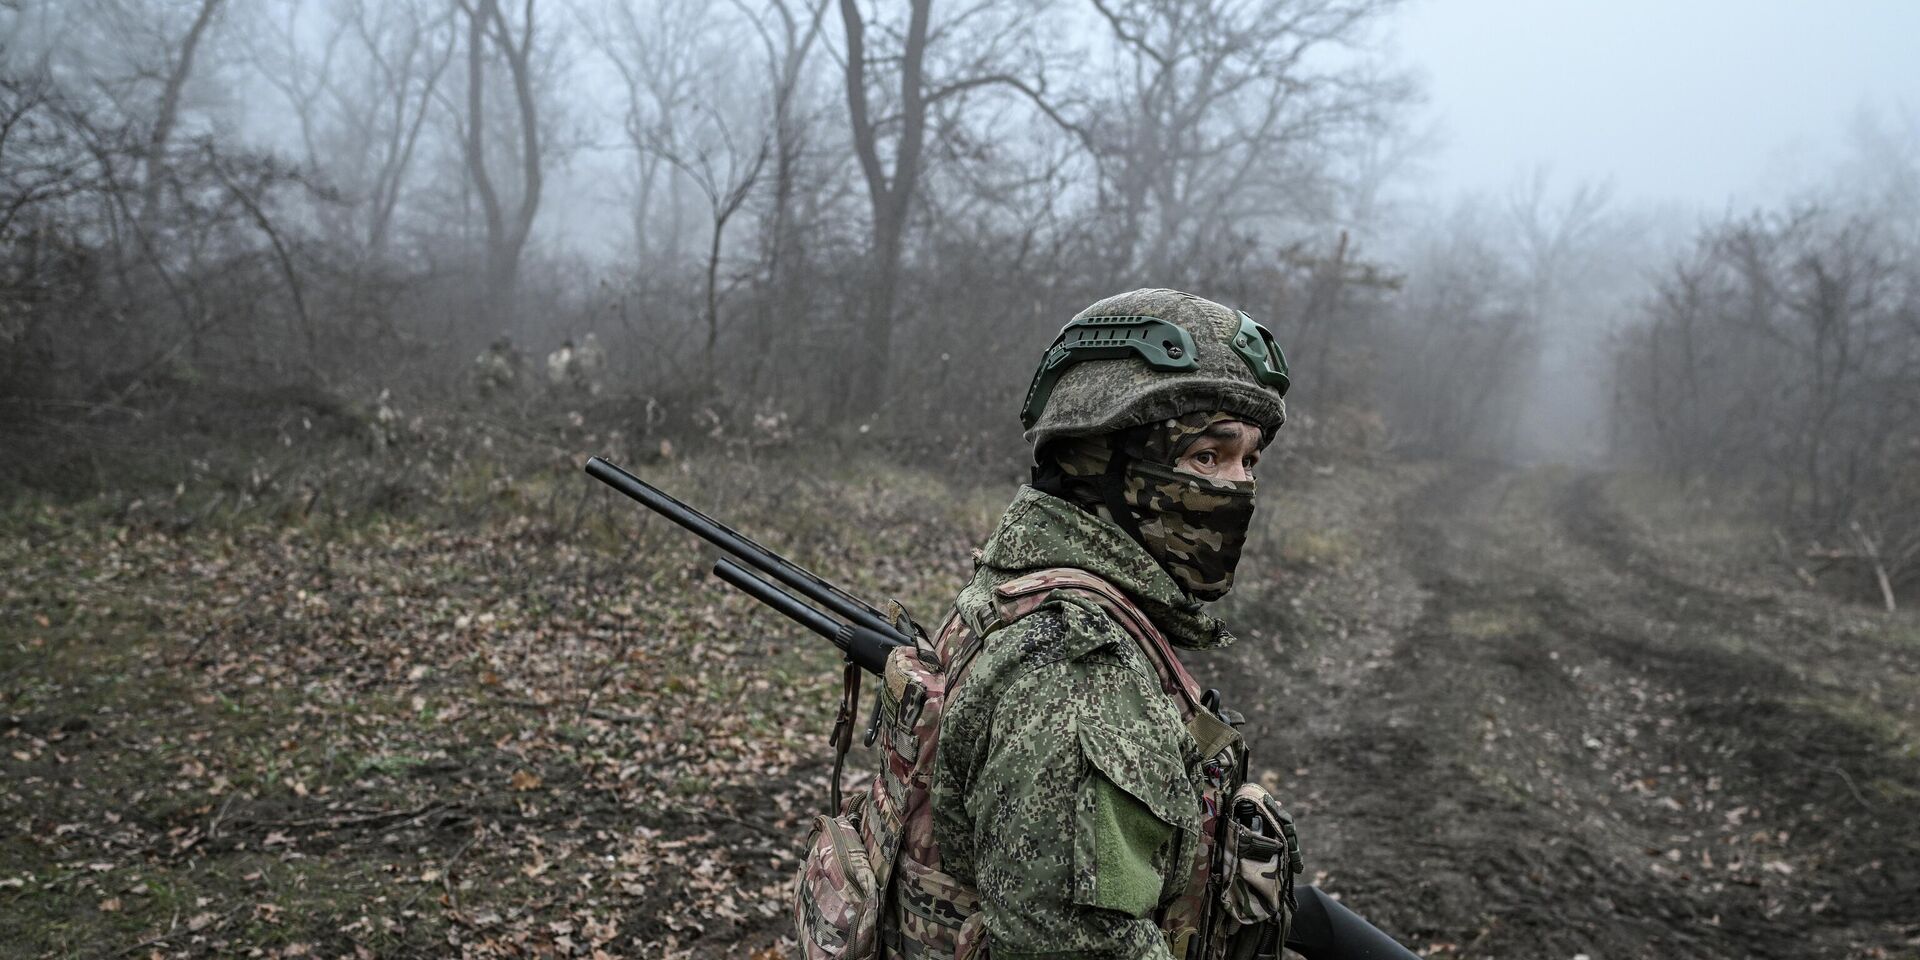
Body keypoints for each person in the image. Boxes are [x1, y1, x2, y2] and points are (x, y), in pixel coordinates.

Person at [924, 287, 1296, 958]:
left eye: (1250, 460)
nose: (1237, 488)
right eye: (1206, 457)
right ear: (1099, 463)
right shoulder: (1077, 675)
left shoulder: (1023, 587)